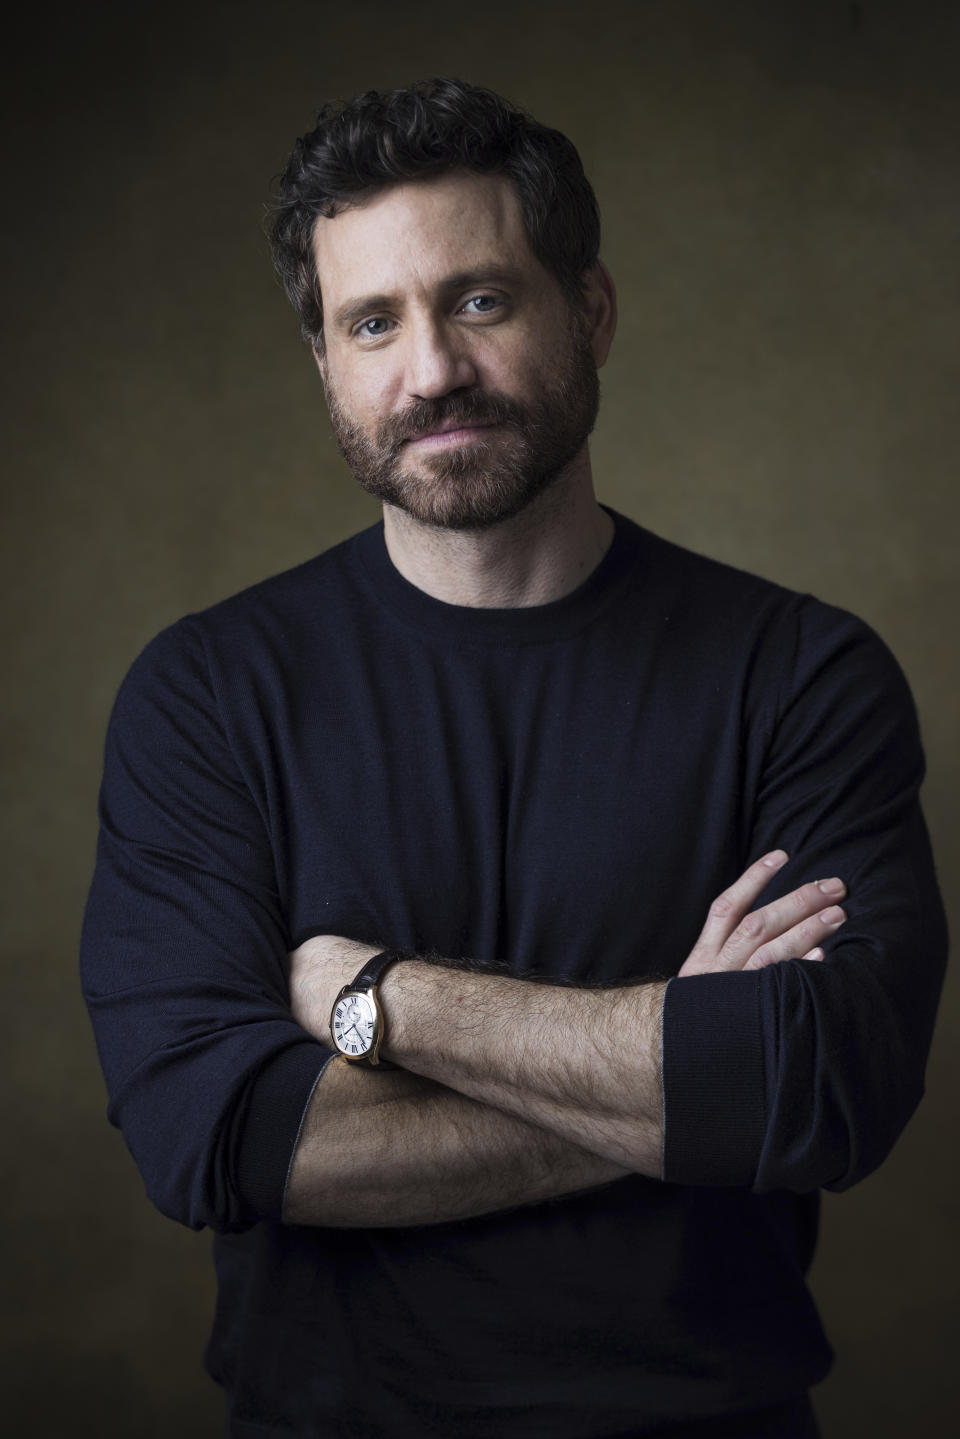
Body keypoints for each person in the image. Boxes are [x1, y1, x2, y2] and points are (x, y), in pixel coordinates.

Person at [80, 78, 947, 1439]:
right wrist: (685, 1060)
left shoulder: (798, 675)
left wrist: (387, 1002)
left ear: (588, 312)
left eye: (479, 299)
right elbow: (216, 1136)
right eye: (374, 322)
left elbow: (823, 1088)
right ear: (328, 367)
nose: (429, 371)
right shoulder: (208, 695)